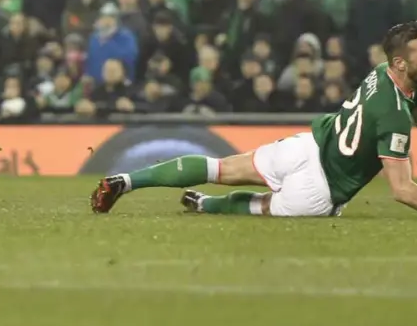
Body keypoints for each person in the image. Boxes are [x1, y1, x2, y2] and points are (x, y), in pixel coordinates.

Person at [90, 21, 417, 217]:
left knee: (220, 168)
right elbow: (402, 190)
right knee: (260, 206)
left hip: (304, 148)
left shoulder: (380, 73)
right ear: (400, 63)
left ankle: (125, 181)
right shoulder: (396, 117)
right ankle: (207, 206)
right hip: (320, 188)